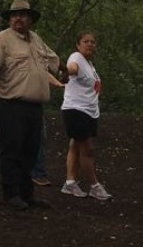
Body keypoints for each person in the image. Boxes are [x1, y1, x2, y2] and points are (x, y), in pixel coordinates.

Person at [0, 0, 61, 211]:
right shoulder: (1, 39)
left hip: (34, 106)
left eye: (23, 15)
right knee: (12, 148)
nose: (18, 18)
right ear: (10, 19)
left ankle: (27, 193)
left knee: (31, 149)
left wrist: (66, 69)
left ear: (30, 19)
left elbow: (52, 60)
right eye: (14, 15)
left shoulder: (36, 40)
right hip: (11, 104)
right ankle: (11, 193)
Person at [59, 31, 111, 201]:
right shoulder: (76, 58)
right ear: (78, 44)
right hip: (76, 110)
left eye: (92, 42)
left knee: (75, 145)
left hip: (88, 111)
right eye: (85, 41)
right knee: (88, 149)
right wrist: (66, 71)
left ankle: (70, 183)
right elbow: (72, 68)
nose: (89, 44)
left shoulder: (90, 65)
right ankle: (94, 186)